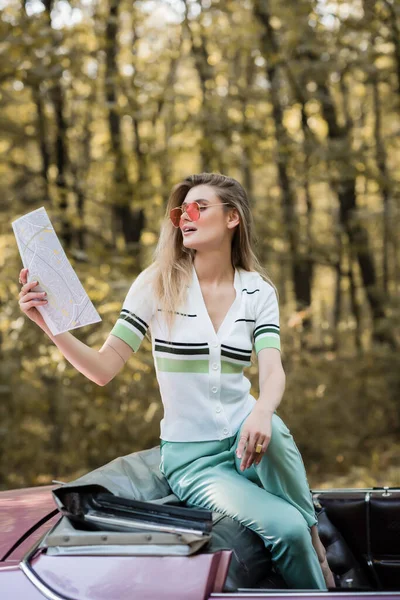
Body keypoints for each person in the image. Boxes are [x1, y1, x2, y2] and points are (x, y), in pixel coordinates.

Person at [18, 172, 334, 590]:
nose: (184, 217)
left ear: (232, 218)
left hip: (253, 441)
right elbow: (102, 369)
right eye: (180, 211)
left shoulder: (258, 291)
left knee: (272, 429)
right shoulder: (156, 285)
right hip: (194, 462)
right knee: (288, 529)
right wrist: (49, 325)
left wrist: (260, 411)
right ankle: (314, 559)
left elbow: (272, 369)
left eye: (197, 207)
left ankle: (316, 541)